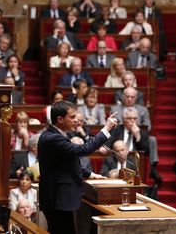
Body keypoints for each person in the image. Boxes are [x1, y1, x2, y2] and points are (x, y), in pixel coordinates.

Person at [38, 100, 118, 234]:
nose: (76, 120)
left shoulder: (60, 135)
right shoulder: (52, 138)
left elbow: (67, 163)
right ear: (60, 119)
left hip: (60, 199)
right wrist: (106, 129)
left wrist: (91, 174)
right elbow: (83, 150)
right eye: (72, 117)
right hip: (57, 199)